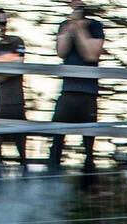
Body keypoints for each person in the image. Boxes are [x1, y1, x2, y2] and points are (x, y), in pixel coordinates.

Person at [47, 0, 104, 183]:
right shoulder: (65, 25)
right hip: (68, 91)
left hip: (88, 93)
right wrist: (70, 26)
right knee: (57, 138)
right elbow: (61, 52)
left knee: (88, 144)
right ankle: (52, 181)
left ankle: (88, 185)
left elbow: (91, 54)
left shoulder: (95, 26)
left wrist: (79, 28)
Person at [0, 10, 27, 174]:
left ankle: (25, 179)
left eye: (3, 23)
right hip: (1, 104)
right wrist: (9, 68)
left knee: (21, 150)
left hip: (17, 103)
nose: (2, 26)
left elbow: (19, 67)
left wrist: (0, 68)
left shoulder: (17, 41)